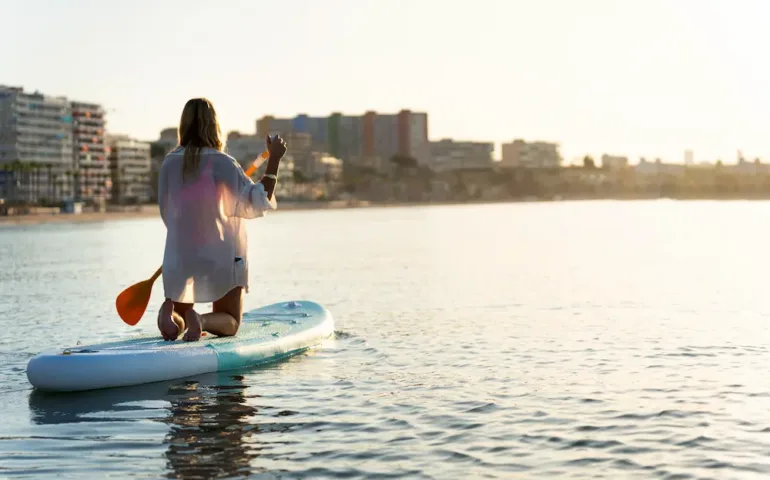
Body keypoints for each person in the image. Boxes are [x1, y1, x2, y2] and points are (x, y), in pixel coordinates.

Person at [156, 97, 286, 341]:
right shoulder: (222, 162)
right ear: (215, 125)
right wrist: (275, 158)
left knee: (180, 319)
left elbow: (167, 213)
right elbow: (258, 199)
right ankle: (202, 320)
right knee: (231, 321)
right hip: (221, 255)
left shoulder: (169, 163)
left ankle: (170, 317)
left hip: (179, 256)